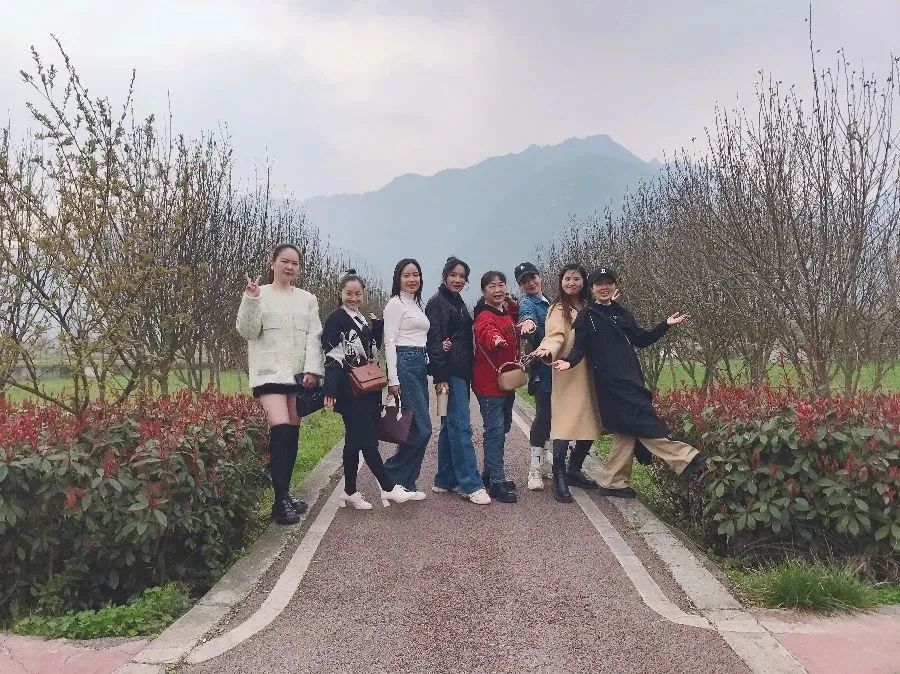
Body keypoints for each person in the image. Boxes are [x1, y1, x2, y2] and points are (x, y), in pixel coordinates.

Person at [554, 265, 708, 497]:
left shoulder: (623, 314)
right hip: (609, 383)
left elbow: (641, 339)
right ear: (592, 288)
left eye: (608, 283)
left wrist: (664, 325)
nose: (604, 288)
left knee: (625, 428)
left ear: (615, 286)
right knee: (642, 422)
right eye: (599, 284)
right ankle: (688, 458)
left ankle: (613, 482)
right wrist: (568, 362)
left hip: (631, 378)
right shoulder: (588, 316)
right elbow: (580, 348)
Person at [235, 243, 324, 525]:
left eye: (295, 263)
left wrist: (313, 370)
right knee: (281, 430)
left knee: (292, 436)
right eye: (285, 261)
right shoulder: (259, 294)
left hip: (297, 377)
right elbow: (248, 331)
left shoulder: (308, 299)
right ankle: (279, 501)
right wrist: (250, 299)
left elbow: (314, 337)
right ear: (272, 262)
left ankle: (284, 494)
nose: (289, 267)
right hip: (269, 375)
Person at [322, 271, 416, 509]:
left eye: (358, 294)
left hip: (367, 388)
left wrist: (377, 328)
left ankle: (350, 492)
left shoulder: (361, 318)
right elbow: (332, 355)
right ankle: (388, 487)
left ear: (363, 295)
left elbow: (370, 351)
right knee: (367, 440)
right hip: (349, 390)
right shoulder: (336, 319)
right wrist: (330, 389)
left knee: (353, 443)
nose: (353, 298)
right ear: (340, 293)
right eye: (349, 293)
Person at [531, 264, 603, 502]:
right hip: (568, 370)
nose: (571, 283)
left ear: (584, 282)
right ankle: (559, 474)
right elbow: (554, 335)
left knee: (591, 420)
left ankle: (574, 470)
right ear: (561, 282)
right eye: (567, 279)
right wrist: (546, 350)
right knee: (564, 422)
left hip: (591, 370)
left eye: (576, 278)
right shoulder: (558, 308)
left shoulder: (589, 307)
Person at [425, 257, 492, 505]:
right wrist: (440, 376)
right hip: (450, 373)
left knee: (449, 425)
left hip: (460, 371)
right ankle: (471, 484)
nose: (457, 280)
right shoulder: (438, 303)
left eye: (462, 276)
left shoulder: (456, 301)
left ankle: (444, 479)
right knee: (461, 426)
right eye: (453, 275)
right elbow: (434, 341)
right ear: (444, 276)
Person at [382, 259, 431, 499]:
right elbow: (389, 342)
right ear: (398, 279)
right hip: (405, 363)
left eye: (416, 275)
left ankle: (405, 483)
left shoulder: (416, 304)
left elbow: (420, 337)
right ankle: (389, 473)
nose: (412, 279)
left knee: (412, 427)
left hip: (420, 363)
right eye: (406, 275)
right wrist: (393, 379)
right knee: (423, 428)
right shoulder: (395, 304)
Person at [472, 271, 519, 503]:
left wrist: (514, 305)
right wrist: (496, 340)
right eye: (492, 286)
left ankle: (489, 475)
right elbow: (486, 332)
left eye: (501, 285)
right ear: (484, 291)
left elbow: (515, 318)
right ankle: (497, 482)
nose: (497, 290)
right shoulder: (484, 316)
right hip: (489, 385)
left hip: (507, 383)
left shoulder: (506, 312)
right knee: (495, 430)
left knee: (503, 427)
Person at [514, 261, 554, 488]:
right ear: (521, 286)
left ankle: (546, 463)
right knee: (543, 415)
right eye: (525, 281)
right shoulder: (528, 303)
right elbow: (527, 317)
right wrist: (527, 325)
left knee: (553, 417)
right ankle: (535, 469)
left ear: (540, 277)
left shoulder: (550, 301)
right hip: (542, 371)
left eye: (533, 278)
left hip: (560, 368)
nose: (530, 283)